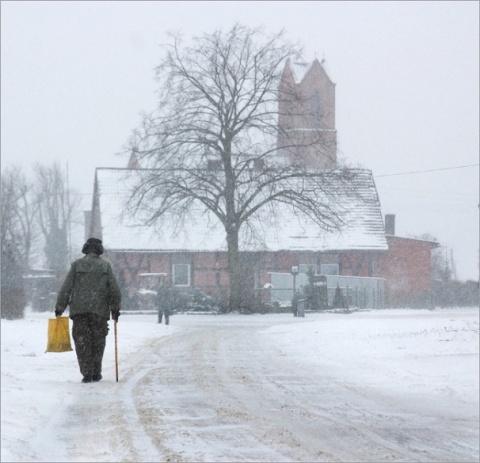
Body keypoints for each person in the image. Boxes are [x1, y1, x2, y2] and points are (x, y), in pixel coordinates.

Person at [54, 238, 121, 383]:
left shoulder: (77, 266)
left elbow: (66, 288)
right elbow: (114, 290)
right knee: (98, 341)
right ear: (99, 250)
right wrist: (115, 309)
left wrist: (60, 307)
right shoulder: (105, 267)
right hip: (100, 312)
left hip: (80, 311)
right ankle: (96, 371)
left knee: (82, 341)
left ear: (85, 249)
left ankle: (87, 372)